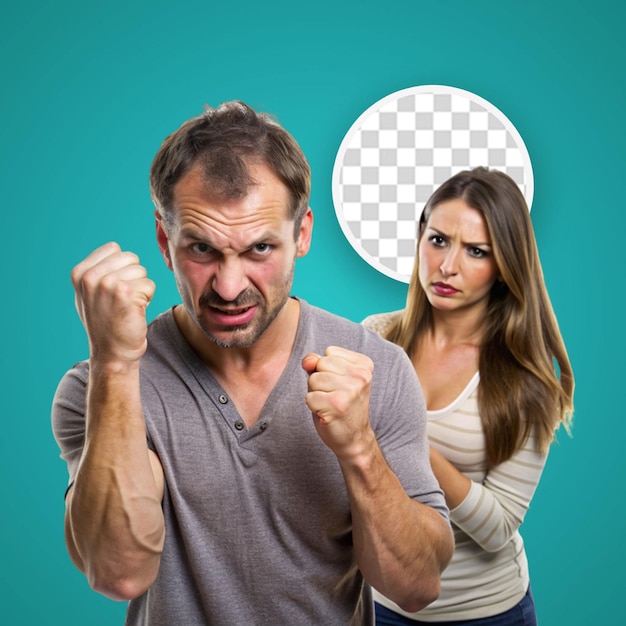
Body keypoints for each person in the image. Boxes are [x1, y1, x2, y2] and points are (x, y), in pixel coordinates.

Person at [51, 100, 453, 626]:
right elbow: (118, 571)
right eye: (202, 250)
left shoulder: (377, 368)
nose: (229, 286)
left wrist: (359, 450)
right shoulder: (100, 387)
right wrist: (115, 365)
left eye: (259, 248)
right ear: (163, 242)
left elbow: (416, 585)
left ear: (302, 234)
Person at [363, 167, 574, 626]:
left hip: (484, 612)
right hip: (378, 604)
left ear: (504, 268)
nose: (447, 266)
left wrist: (406, 438)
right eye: (438, 240)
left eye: (476, 251)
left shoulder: (526, 377)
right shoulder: (376, 336)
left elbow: (498, 528)